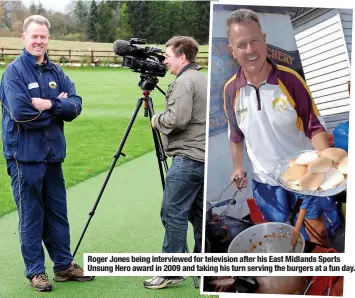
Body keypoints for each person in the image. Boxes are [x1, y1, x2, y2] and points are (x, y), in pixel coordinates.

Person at [223, 9, 340, 246]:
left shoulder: (290, 80)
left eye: (254, 41)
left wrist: (323, 164)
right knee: (282, 239)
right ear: (232, 51)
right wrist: (237, 167)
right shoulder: (230, 90)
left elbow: (314, 127)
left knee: (316, 235)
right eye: (242, 44)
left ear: (264, 40)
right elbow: (236, 135)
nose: (250, 50)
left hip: (303, 177)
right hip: (265, 183)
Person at [0, 15, 93, 292]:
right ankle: (36, 272)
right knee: (31, 215)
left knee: (57, 213)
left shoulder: (56, 72)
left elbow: (75, 106)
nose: (39, 41)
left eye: (43, 36)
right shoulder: (13, 73)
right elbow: (20, 112)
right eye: (34, 36)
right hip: (24, 156)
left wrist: (49, 105)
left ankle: (63, 266)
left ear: (48, 39)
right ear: (24, 38)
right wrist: (56, 109)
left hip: (52, 155)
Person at [143, 36, 207, 289]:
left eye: (168, 55)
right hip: (204, 158)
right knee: (199, 216)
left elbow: (176, 120)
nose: (165, 60)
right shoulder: (202, 78)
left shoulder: (184, 82)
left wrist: (156, 119)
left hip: (189, 158)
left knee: (173, 213)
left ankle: (172, 270)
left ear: (182, 56)